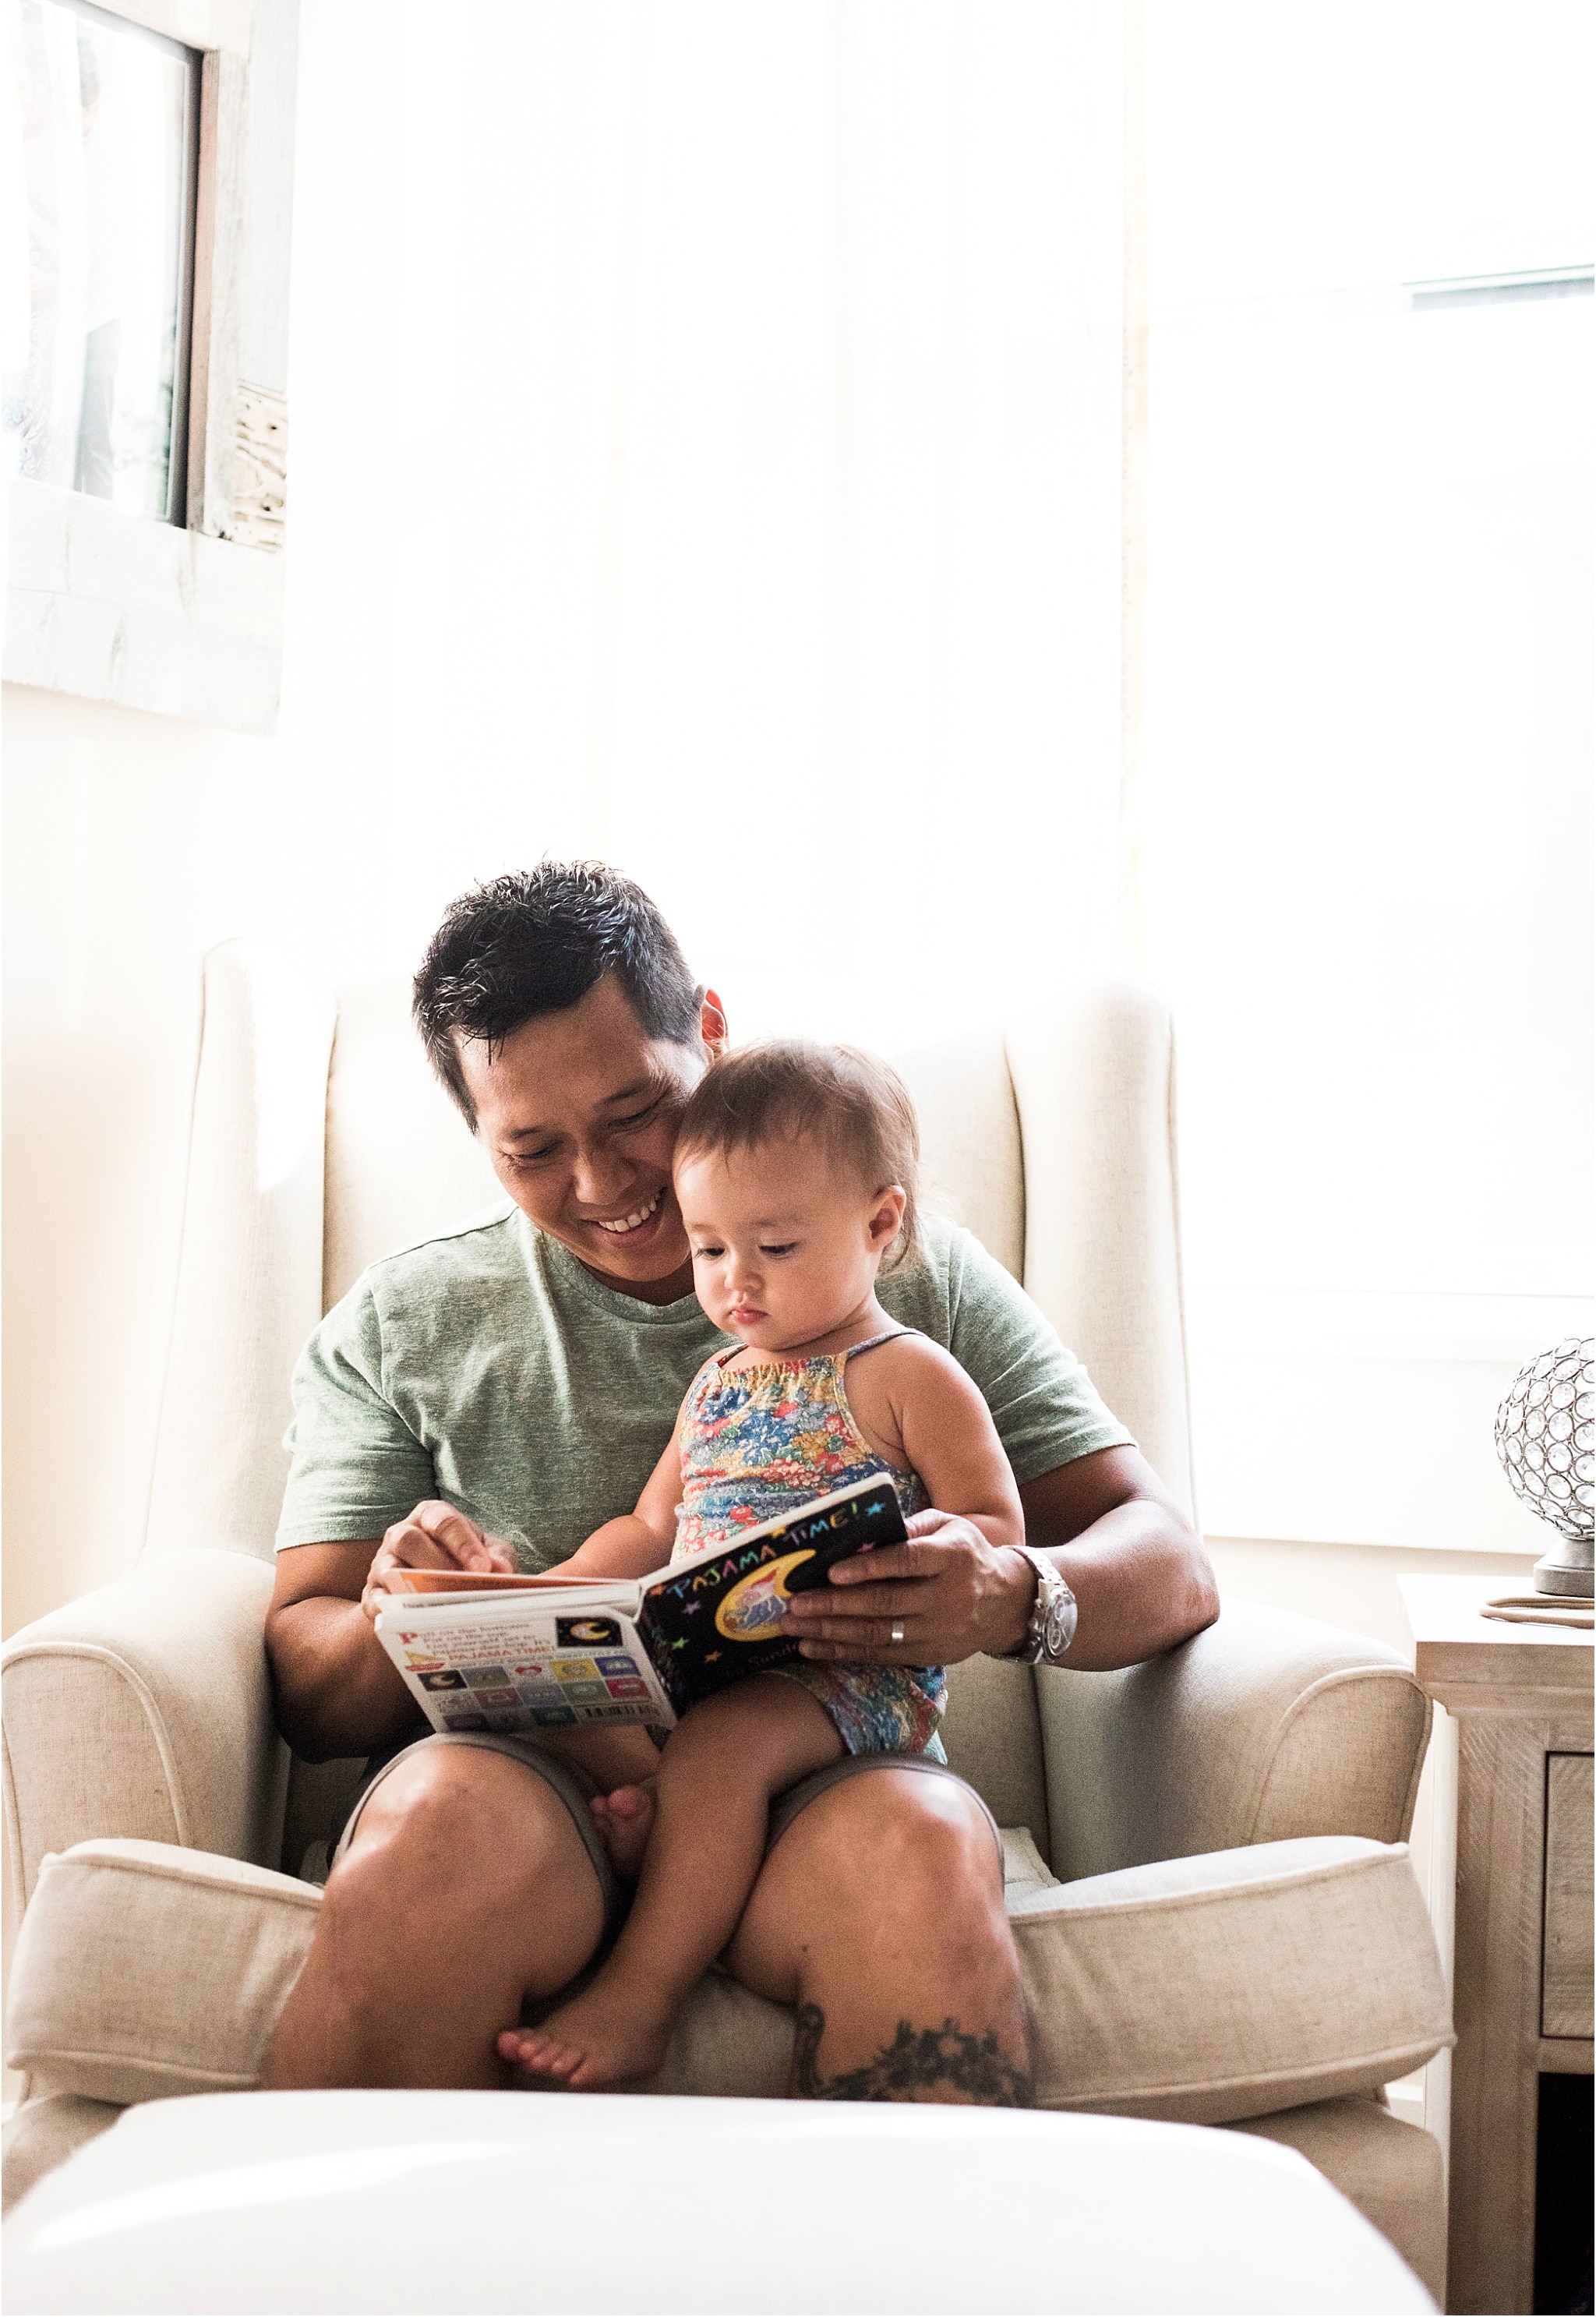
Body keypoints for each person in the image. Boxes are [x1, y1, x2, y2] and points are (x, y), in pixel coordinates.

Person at [260, 862, 1218, 2101]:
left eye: (634, 1112)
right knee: (433, 1827)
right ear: (478, 1140)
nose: (605, 1183)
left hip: (824, 1783)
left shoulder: (905, 1286)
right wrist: (417, 1613)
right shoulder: (404, 1321)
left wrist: (1008, 1591)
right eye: (535, 1149)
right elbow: (307, 1678)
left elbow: (1170, 1562)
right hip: (542, 1792)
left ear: (708, 1031)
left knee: (919, 1850)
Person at [500, 1040, 1026, 2089]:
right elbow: (647, 1531)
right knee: (566, 1699)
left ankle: (641, 1991)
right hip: (713, 1676)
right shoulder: (717, 1385)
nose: (735, 1280)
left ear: (879, 1224)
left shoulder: (906, 1373)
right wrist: (526, 1598)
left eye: (775, 1246)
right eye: (709, 1249)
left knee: (726, 1745)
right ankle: (678, 1815)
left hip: (850, 1679)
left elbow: (994, 1530)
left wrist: (949, 1553)